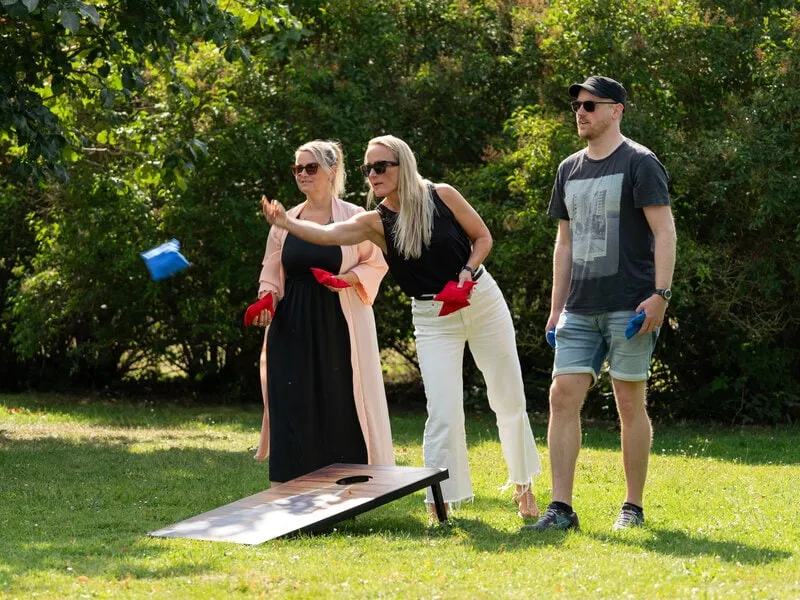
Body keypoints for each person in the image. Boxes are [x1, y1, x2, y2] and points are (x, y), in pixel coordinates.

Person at [262, 135, 541, 521]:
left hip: (479, 298)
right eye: (367, 169)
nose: (373, 175)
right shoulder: (375, 221)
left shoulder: (441, 195)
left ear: (403, 165)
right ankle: (440, 504)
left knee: (507, 398)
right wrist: (285, 222)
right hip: (431, 315)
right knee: (442, 411)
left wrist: (466, 272)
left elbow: (483, 237)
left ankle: (523, 486)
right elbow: (327, 235)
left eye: (381, 166)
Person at [525, 76, 676, 532]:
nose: (581, 111)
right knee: (561, 396)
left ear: (617, 111)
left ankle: (632, 507)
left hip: (630, 306)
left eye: (591, 104)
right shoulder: (568, 168)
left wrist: (660, 295)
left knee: (629, 404)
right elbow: (564, 244)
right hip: (579, 307)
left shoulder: (640, 162)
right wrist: (555, 308)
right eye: (577, 104)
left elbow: (664, 232)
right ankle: (561, 509)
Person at [251, 139, 394, 487]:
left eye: (310, 167)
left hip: (339, 320)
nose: (302, 174)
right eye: (297, 168)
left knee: (339, 398)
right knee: (290, 399)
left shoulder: (357, 218)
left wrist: (347, 279)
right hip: (292, 322)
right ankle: (289, 484)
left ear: (332, 172)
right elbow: (273, 268)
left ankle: (350, 485)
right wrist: (266, 300)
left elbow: (376, 262)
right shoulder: (286, 221)